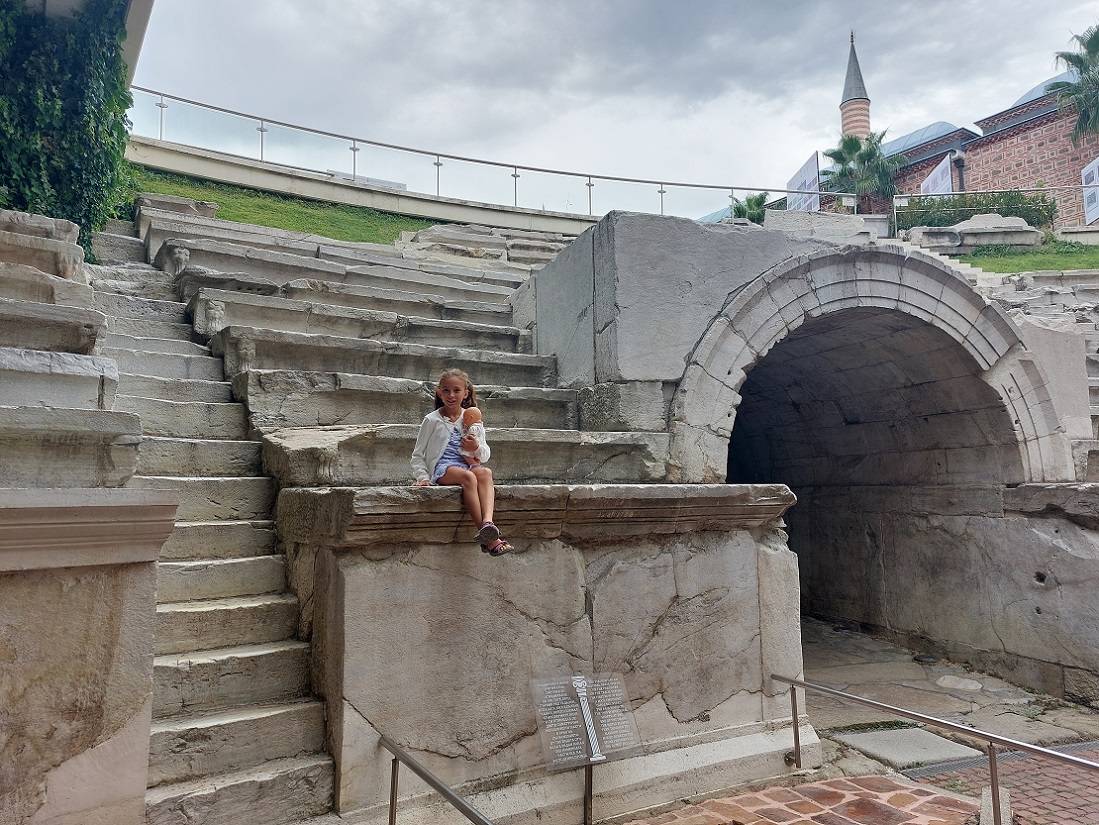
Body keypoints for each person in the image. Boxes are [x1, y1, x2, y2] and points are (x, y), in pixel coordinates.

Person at [411, 368, 512, 556]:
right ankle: (491, 539)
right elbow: (418, 454)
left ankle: (488, 523)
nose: (451, 395)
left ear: (465, 393)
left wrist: (475, 448)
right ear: (439, 393)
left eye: (457, 390)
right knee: (468, 477)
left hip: (467, 464)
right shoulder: (432, 420)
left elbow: (485, 454)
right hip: (443, 468)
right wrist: (423, 477)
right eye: (446, 390)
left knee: (485, 472)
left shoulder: (471, 418)